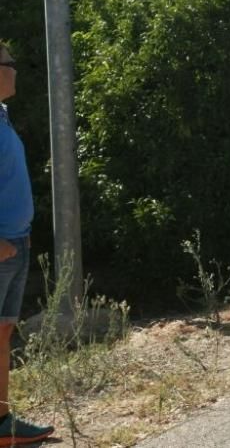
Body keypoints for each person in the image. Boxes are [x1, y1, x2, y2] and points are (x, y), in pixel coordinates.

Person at [0, 43, 56, 445]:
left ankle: (3, 424)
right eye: (9, 64)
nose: (15, 71)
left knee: (2, 334)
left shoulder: (2, 116)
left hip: (14, 244)